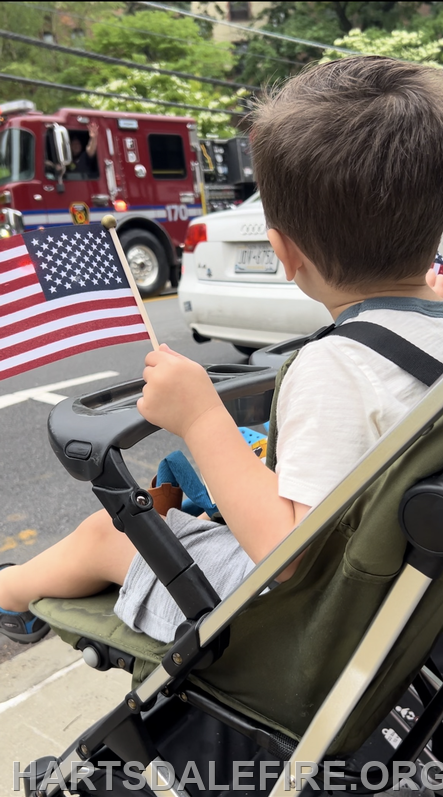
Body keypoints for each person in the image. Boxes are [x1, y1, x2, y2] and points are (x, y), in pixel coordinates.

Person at [2, 55, 443, 645]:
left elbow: (288, 558)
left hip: (306, 620)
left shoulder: (336, 367)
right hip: (401, 579)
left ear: (284, 254)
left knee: (111, 533)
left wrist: (201, 416)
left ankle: (9, 597)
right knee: (187, 475)